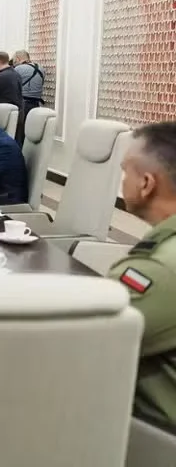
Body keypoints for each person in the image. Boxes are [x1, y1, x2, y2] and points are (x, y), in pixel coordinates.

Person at [106, 121, 176, 426]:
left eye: (126, 172)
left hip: (152, 434)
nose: (123, 182)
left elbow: (86, 338)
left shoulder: (158, 268)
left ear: (147, 183)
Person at [14, 50, 45, 145]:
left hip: (23, 105)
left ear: (18, 58)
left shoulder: (18, 69)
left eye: (14, 60)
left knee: (20, 134)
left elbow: (12, 85)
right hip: (36, 105)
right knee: (31, 133)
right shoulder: (41, 68)